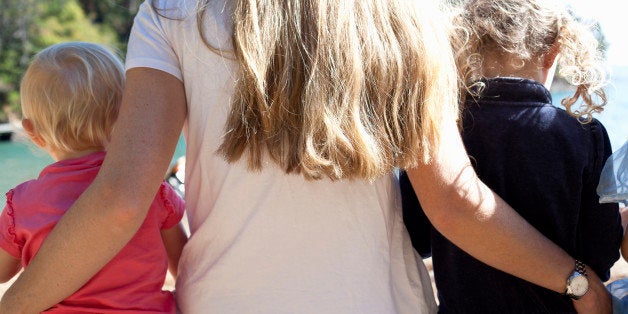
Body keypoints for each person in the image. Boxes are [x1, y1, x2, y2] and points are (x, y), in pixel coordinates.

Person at [0, 1, 613, 313]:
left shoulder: (173, 14)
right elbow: (456, 204)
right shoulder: (402, 16)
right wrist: (578, 281)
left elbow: (119, 202)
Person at [401, 0, 622, 312]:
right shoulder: (586, 135)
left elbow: (417, 236)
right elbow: (603, 252)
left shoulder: (442, 135)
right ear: (553, 52)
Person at [0, 42, 188, 313]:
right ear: (126, 116)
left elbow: (3, 273)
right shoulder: (148, 191)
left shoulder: (22, 203)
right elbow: (184, 266)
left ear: (32, 132)